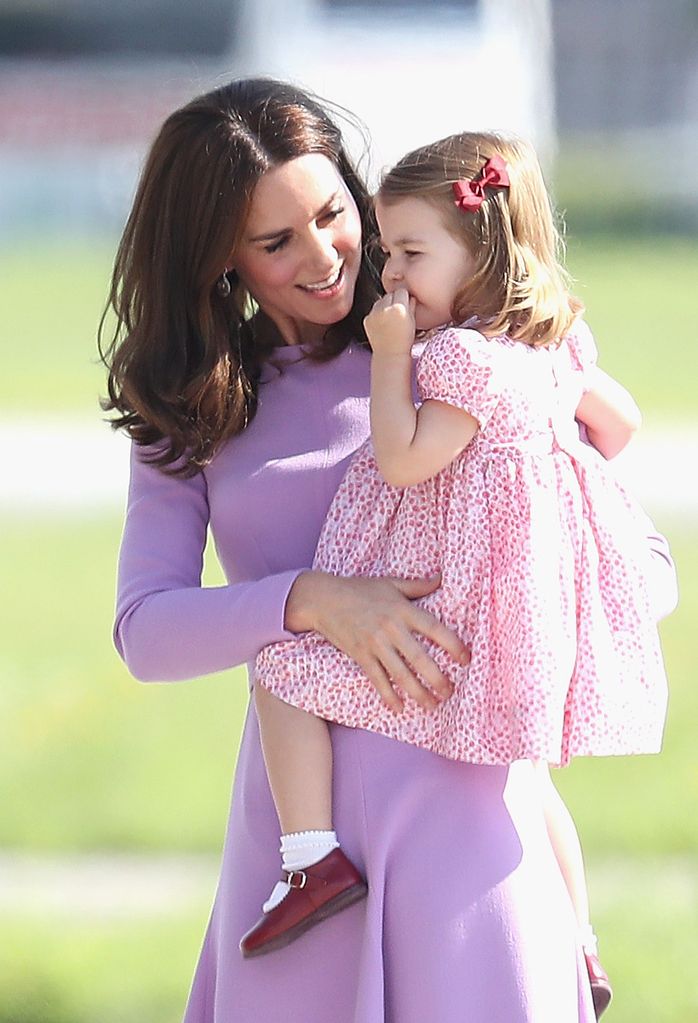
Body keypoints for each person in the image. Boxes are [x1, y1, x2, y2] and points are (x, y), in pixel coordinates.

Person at [100, 79, 675, 1023]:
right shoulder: (192, 410)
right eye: (275, 242)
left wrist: (541, 606)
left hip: (475, 824)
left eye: (335, 215)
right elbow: (146, 632)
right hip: (305, 855)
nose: (326, 257)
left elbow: (632, 544)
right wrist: (315, 599)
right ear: (217, 260)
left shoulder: (466, 344)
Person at [248, 131, 671, 1016]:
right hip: (522, 618)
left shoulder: (457, 360)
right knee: (527, 780)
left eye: (408, 253)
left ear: (475, 253)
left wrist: (393, 352)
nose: (390, 276)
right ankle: (580, 941)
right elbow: (623, 424)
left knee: (281, 670)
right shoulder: (551, 341)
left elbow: (401, 459)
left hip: (458, 619)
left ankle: (308, 861)